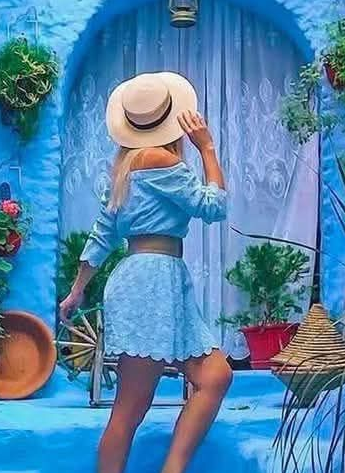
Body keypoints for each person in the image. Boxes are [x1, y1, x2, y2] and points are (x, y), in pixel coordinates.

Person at [59, 71, 233, 473]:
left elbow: (102, 235)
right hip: (151, 282)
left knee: (216, 376)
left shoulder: (125, 166)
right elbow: (214, 206)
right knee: (129, 409)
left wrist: (77, 291)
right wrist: (206, 147)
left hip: (157, 279)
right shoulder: (159, 159)